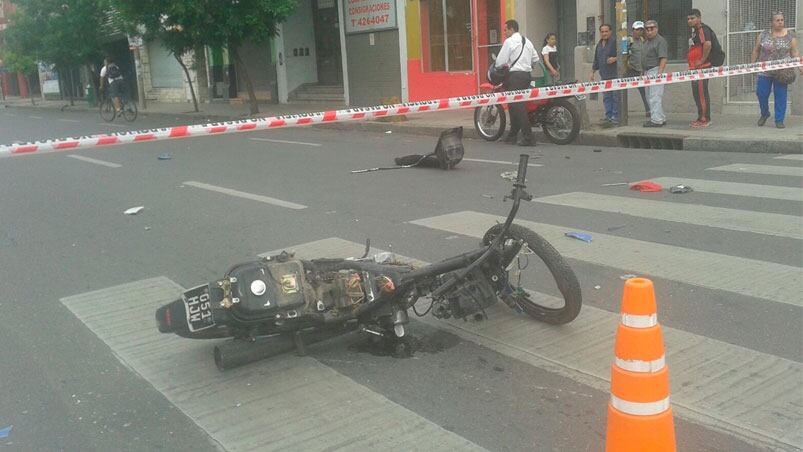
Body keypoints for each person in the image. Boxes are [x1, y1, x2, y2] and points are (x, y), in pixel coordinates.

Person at [750, 11, 802, 129]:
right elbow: (756, 50)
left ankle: (779, 120)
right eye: (777, 20)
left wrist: (800, 66)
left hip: (782, 72)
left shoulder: (790, 35)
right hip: (764, 71)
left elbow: (794, 52)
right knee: (761, 93)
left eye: (782, 20)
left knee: (781, 95)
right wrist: (752, 65)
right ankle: (765, 113)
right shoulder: (763, 35)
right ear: (771, 22)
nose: (780, 22)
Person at [495, 19, 539, 146]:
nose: (504, 32)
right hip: (526, 76)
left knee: (517, 106)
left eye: (505, 30)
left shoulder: (509, 42)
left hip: (515, 76)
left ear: (512, 29)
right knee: (513, 105)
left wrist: (503, 66)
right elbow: (535, 58)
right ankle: (512, 136)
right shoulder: (527, 41)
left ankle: (528, 137)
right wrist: (527, 65)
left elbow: (499, 62)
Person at [686, 9, 722, 128]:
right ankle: (700, 117)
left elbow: (707, 44)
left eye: (692, 18)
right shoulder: (695, 31)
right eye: (688, 19)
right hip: (695, 68)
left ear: (699, 18)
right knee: (697, 93)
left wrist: (701, 61)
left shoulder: (702, 29)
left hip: (702, 67)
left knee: (701, 93)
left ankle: (705, 119)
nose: (690, 21)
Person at [589, 24, 619, 127]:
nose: (604, 33)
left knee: (615, 96)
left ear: (610, 32)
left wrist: (614, 59)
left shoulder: (615, 42)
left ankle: (615, 116)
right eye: (602, 32)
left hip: (615, 75)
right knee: (606, 97)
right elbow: (596, 60)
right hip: (604, 75)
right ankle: (608, 116)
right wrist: (592, 72)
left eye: (606, 31)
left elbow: (624, 54)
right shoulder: (599, 45)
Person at [642, 20, 668, 127]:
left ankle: (656, 120)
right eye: (647, 29)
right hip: (647, 71)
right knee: (649, 97)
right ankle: (660, 117)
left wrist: (659, 73)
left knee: (655, 97)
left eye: (652, 29)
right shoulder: (646, 42)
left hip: (655, 70)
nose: (649, 31)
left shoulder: (660, 41)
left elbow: (663, 58)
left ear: (656, 29)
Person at [626, 21, 650, 119]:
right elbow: (623, 54)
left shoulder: (642, 40)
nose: (639, 32)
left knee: (644, 91)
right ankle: (622, 112)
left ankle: (648, 110)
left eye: (641, 30)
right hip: (629, 69)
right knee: (622, 91)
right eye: (637, 30)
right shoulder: (628, 40)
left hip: (639, 70)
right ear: (633, 30)